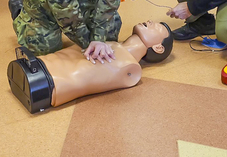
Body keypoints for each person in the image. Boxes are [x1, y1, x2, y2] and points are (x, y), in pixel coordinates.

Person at [8, 21, 173, 111]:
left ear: (158, 48)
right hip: (39, 68)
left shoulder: (131, 69)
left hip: (45, 82)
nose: (151, 21)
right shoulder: (112, 43)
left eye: (157, 27)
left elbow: (85, 81)